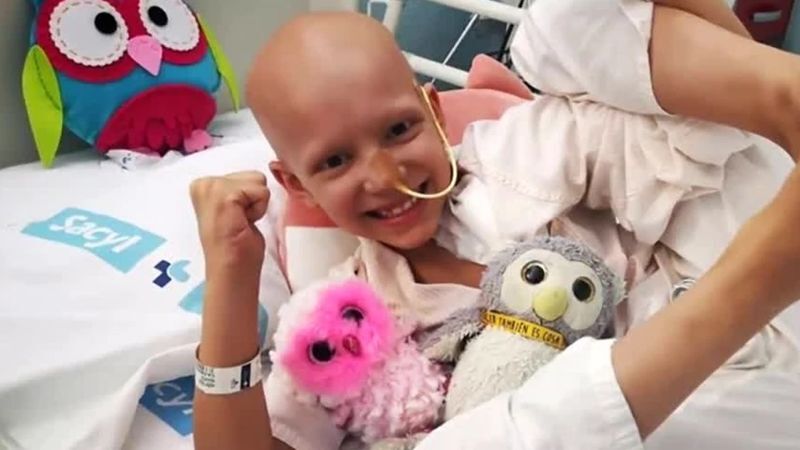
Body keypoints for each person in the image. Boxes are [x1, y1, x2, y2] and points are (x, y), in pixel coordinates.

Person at [191, 1, 800, 449]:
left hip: (752, 305)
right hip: (685, 407)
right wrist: (231, 281)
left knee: (557, 24)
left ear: (435, 114)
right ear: (297, 185)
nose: (384, 174)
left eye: (399, 130)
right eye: (335, 162)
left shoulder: (514, 152)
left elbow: (685, 132)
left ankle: (789, 96)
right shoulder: (346, 315)